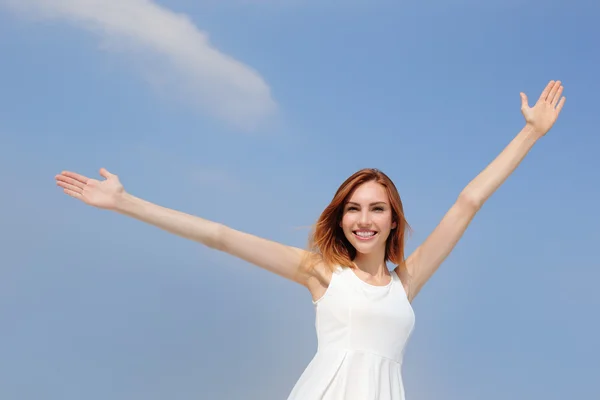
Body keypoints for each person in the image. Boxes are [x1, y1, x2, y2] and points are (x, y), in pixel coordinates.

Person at [55, 80, 566, 399]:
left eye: (377, 209)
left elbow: (467, 203)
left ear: (393, 222)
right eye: (353, 209)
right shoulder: (320, 271)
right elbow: (219, 236)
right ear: (340, 219)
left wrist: (530, 134)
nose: (363, 219)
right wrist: (127, 203)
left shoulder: (405, 283)